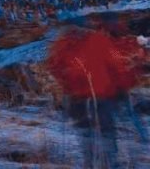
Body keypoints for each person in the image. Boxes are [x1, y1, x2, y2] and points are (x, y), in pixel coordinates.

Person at [47, 13, 145, 168]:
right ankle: (108, 164)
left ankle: (91, 164)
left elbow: (54, 68)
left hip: (76, 100)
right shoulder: (99, 40)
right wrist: (124, 85)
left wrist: (68, 86)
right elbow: (117, 66)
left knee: (86, 136)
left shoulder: (60, 45)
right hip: (102, 98)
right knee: (106, 135)